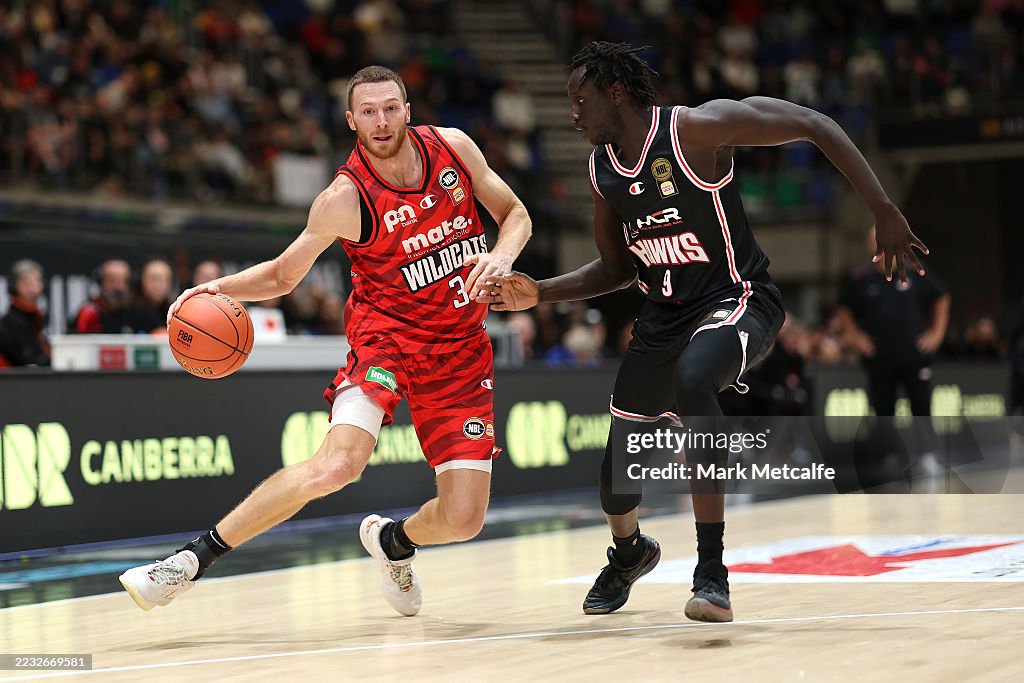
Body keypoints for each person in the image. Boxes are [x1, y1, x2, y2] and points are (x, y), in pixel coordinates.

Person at [487, 42, 926, 622]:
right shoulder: (601, 172)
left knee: (696, 378)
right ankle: (629, 552)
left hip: (739, 298)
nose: (573, 113)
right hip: (662, 317)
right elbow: (618, 269)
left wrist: (883, 208)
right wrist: (541, 291)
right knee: (616, 476)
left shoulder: (694, 131)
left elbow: (814, 125)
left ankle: (711, 572)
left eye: (580, 99)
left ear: (614, 92)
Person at [119, 65, 532, 614]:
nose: (381, 121)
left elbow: (515, 214)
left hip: (460, 350)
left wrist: (502, 257)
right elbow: (284, 275)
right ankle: (187, 563)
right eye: (368, 111)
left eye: (390, 108)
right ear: (351, 120)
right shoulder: (345, 196)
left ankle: (393, 542)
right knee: (337, 466)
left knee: (463, 519)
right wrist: (215, 287)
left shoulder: (453, 149)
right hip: (386, 343)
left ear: (408, 110)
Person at [832, 227, 949, 417]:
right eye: (877, 241)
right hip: (879, 355)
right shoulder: (861, 278)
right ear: (870, 246)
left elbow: (941, 297)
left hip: (914, 352)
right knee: (882, 410)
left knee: (921, 406)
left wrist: (937, 333)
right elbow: (843, 307)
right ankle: (887, 447)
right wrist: (856, 336)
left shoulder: (914, 269)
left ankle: (925, 447)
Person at [0, 259, 51, 367]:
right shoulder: (8, 324)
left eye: (36, 280)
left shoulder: (37, 318)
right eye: (26, 282)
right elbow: (28, 360)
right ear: (13, 285)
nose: (32, 287)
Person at [73, 259, 131, 333]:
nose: (118, 287)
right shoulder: (90, 312)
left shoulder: (135, 311)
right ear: (101, 282)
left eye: (123, 280)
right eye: (112, 280)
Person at [124, 257, 175, 334]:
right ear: (142, 281)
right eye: (153, 279)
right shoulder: (127, 312)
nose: (158, 285)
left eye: (164, 279)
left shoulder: (174, 312)